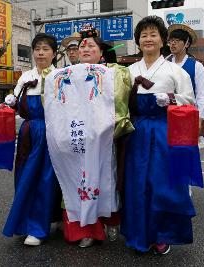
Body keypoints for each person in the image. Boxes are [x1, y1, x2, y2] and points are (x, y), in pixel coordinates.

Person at [121, 15, 197, 255]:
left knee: (162, 184)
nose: (148, 39)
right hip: (136, 132)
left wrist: (171, 99)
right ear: (138, 41)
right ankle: (138, 234)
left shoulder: (176, 72)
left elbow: (190, 102)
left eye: (154, 34)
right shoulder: (128, 71)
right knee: (136, 183)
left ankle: (163, 234)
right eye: (144, 35)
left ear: (163, 40)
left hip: (165, 131)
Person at [54, 25, 134, 248]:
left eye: (91, 45)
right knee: (75, 182)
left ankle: (110, 221)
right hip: (76, 137)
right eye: (82, 46)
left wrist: (105, 129)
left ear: (101, 52)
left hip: (102, 137)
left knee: (105, 179)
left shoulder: (114, 72)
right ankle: (85, 230)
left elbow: (118, 103)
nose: (85, 48)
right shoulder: (65, 75)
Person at [3, 33, 62, 246]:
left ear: (54, 53)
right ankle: (26, 222)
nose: (40, 53)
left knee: (47, 180)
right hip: (29, 133)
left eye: (46, 49)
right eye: (37, 49)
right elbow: (16, 104)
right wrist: (11, 101)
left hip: (52, 133)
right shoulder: (25, 76)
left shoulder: (60, 76)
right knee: (25, 177)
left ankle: (39, 227)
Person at [166, 23, 204, 136]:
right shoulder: (164, 64)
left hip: (187, 115)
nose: (173, 43)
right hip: (165, 115)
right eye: (171, 41)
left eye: (177, 40)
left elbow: (202, 94)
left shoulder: (196, 66)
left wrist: (200, 118)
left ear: (187, 44)